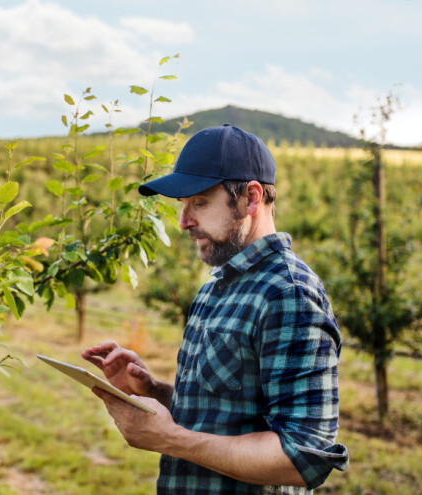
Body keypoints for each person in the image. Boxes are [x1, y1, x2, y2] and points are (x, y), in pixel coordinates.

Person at [82, 124, 348, 494]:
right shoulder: (216, 288)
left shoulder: (288, 295)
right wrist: (153, 390)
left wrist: (169, 439)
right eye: (183, 205)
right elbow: (228, 415)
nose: (184, 222)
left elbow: (303, 457)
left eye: (200, 202)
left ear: (251, 199)